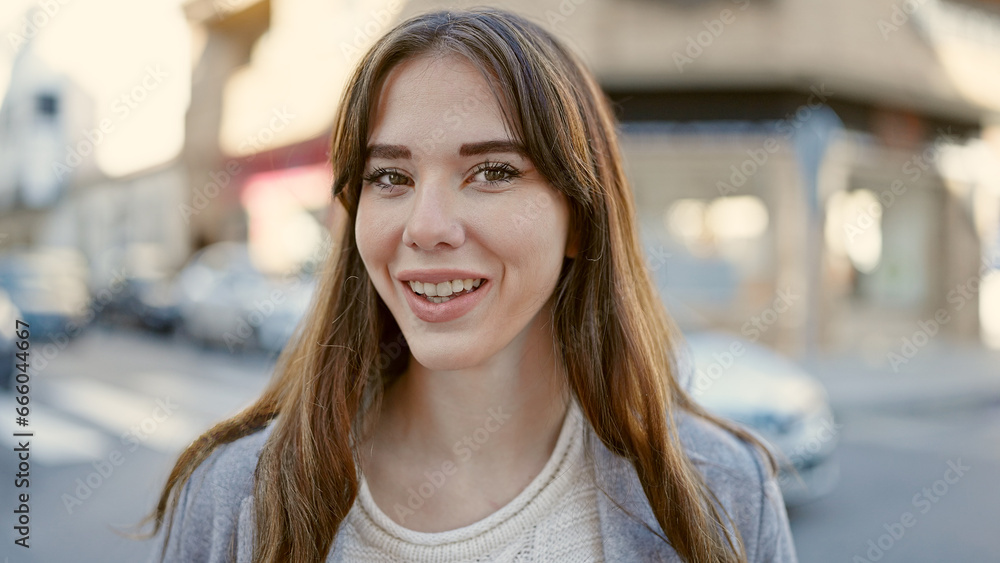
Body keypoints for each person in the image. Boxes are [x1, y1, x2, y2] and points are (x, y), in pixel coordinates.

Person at [144, 7, 798, 563]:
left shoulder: (725, 490)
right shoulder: (233, 500)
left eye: (492, 171)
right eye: (390, 178)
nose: (425, 229)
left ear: (580, 218)